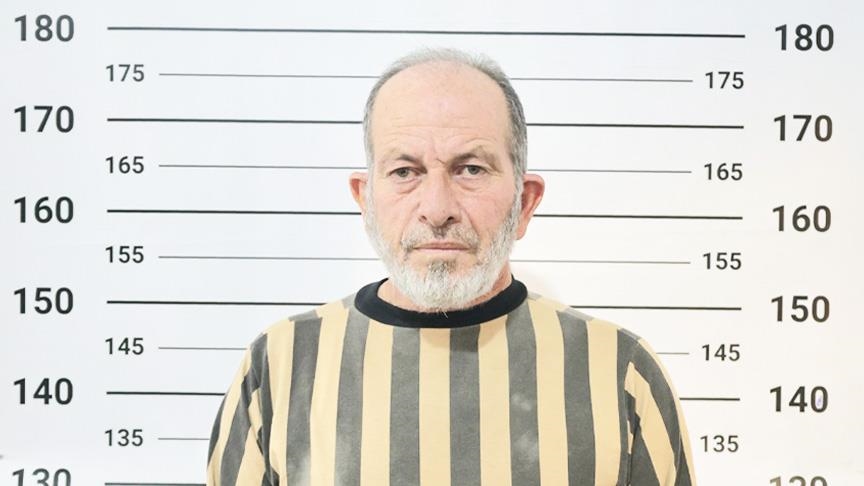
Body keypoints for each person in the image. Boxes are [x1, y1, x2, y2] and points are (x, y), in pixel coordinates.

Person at [207, 47, 696, 486]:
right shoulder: (280, 365)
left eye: (471, 169)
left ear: (525, 203)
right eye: (405, 171)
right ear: (365, 199)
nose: (437, 209)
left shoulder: (620, 371)